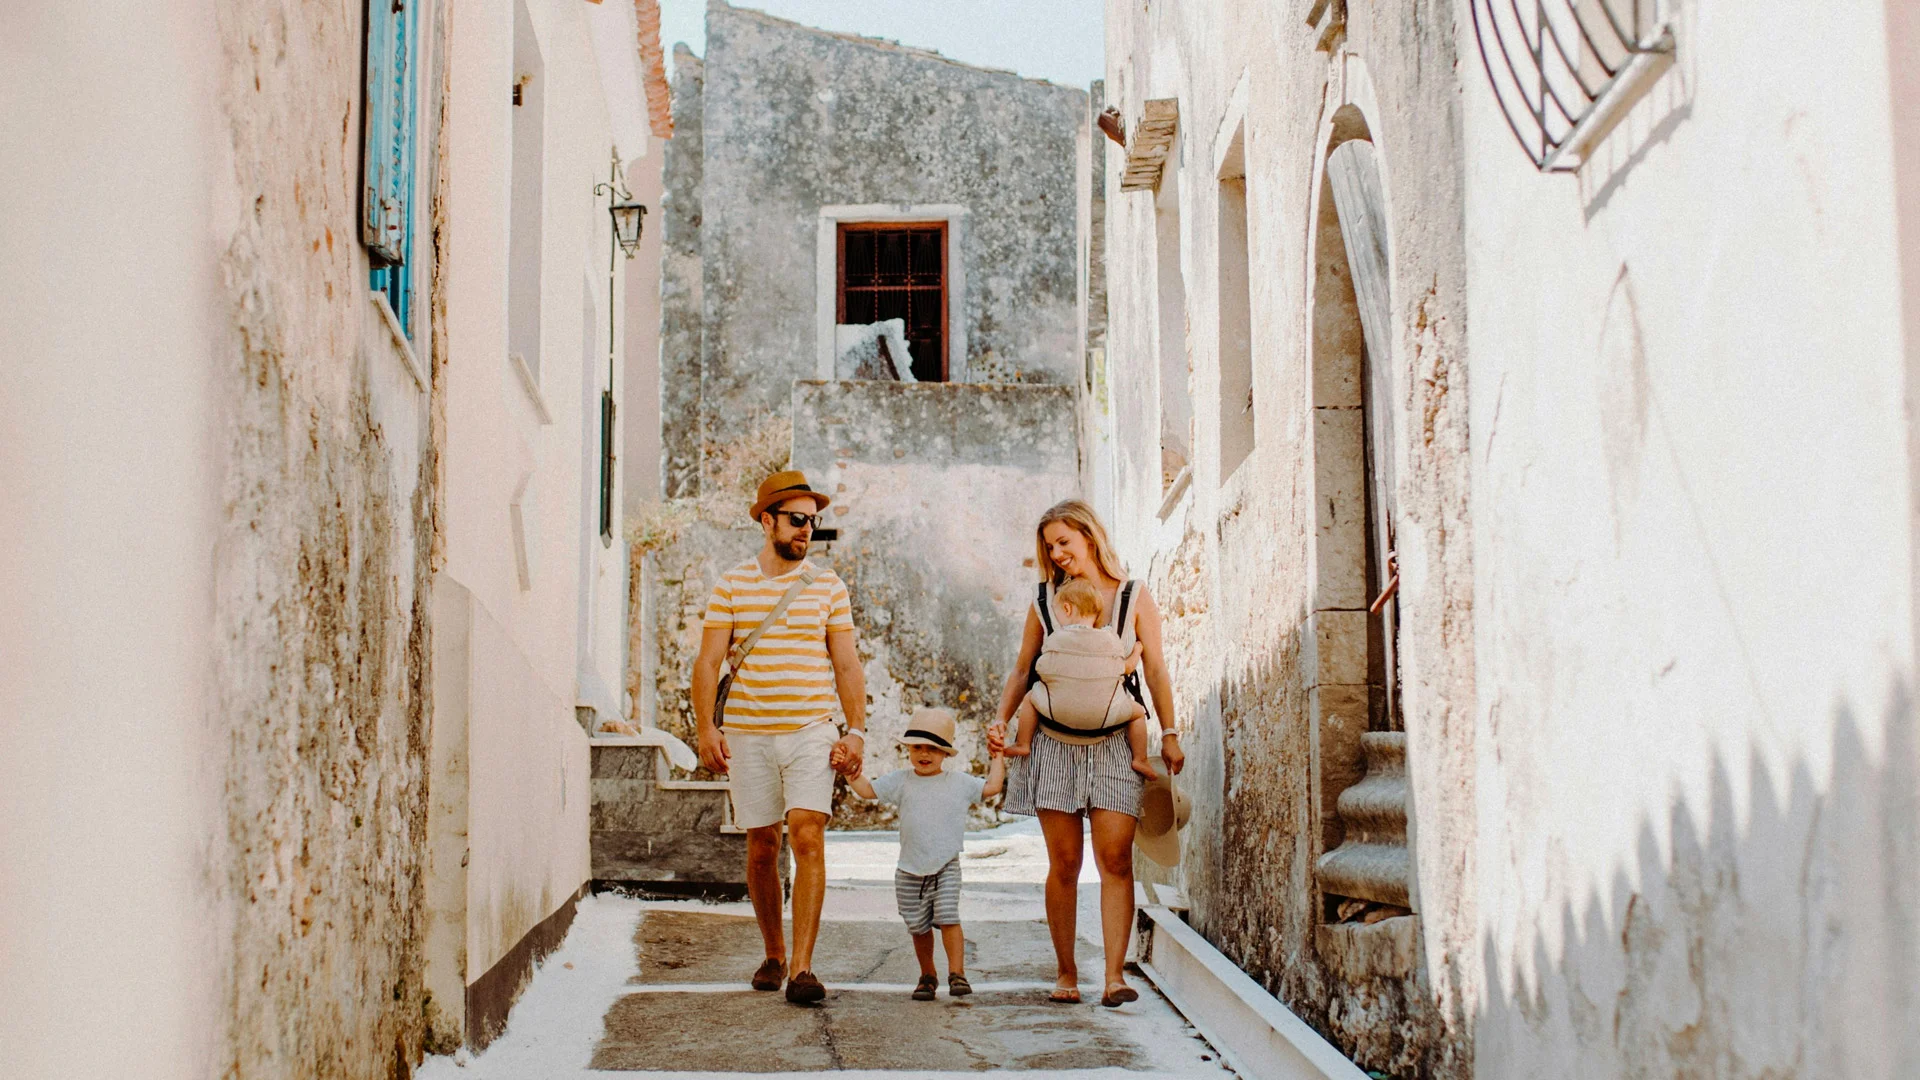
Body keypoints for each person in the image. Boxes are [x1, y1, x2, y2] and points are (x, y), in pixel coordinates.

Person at [987, 498, 1185, 1008]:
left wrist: (1168, 732)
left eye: (1064, 543)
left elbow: (1156, 670)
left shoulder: (1134, 596)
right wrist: (1002, 718)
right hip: (1051, 744)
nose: (1057, 555)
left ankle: (1115, 977)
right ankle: (1066, 973)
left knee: (1115, 858)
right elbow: (1022, 668)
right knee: (1065, 862)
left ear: (1090, 538)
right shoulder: (1045, 601)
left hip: (1118, 741)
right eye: (1050, 548)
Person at [691, 469, 868, 1005]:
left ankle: (804, 969)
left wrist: (855, 730)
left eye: (812, 522)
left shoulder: (827, 586)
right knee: (763, 844)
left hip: (812, 729)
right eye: (796, 520)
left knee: (808, 833)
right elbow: (708, 660)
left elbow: (847, 664)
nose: (806, 530)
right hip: (747, 733)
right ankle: (774, 953)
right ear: (767, 521)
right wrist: (705, 727)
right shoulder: (732, 584)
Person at [844, 707, 1006, 1001]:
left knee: (948, 917)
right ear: (908, 749)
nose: (924, 754)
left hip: (946, 865)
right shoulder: (902, 780)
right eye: (917, 747)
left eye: (933, 748)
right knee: (918, 927)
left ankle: (957, 973)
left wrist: (998, 756)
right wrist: (849, 772)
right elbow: (868, 790)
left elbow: (993, 787)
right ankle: (927, 975)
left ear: (945, 753)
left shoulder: (959, 783)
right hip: (909, 869)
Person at [1003, 577, 1155, 779]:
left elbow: (1042, 668)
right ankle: (1140, 758)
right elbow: (1126, 668)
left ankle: (1023, 743)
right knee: (1137, 713)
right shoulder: (1110, 639)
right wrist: (1137, 650)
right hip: (1104, 716)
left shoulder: (1056, 638)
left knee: (1030, 698)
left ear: (1066, 609)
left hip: (1057, 714)